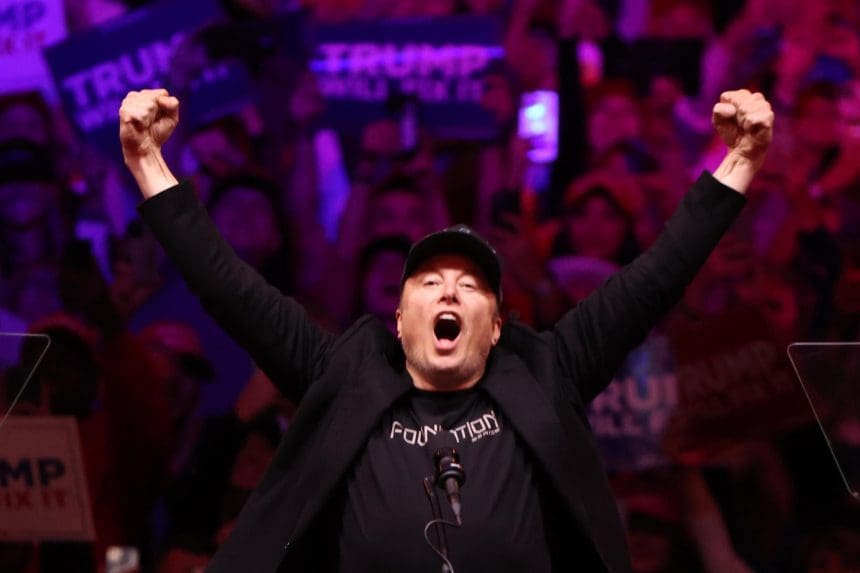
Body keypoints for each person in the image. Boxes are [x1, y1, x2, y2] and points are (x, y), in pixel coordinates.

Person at [118, 87, 773, 572]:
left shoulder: (548, 369)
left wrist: (739, 160)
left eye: (471, 284)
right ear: (399, 321)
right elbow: (228, 287)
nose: (450, 288)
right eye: (429, 281)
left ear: (494, 328)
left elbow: (655, 278)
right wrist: (149, 163)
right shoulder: (344, 372)